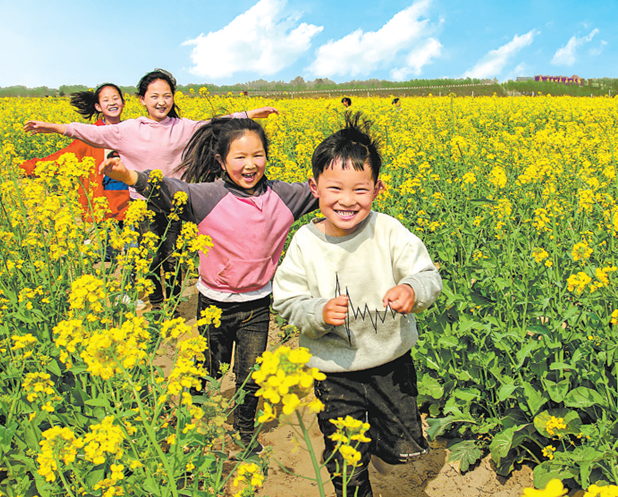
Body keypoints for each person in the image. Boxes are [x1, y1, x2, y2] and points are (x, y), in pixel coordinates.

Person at [99, 117, 318, 456]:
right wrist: (130, 177)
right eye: (239, 157)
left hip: (257, 305)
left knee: (251, 374)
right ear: (221, 161)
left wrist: (353, 183)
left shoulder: (282, 196)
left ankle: (244, 428)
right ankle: (192, 421)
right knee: (208, 368)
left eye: (257, 155)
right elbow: (171, 191)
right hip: (214, 302)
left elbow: (322, 192)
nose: (250, 165)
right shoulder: (207, 196)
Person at [272, 112, 442, 497]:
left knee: (402, 447)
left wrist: (413, 290)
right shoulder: (305, 242)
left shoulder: (388, 230)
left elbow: (429, 274)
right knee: (345, 454)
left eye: (359, 190)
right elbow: (286, 299)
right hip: (333, 370)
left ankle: (383, 455)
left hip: (391, 362)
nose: (346, 201)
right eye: (335, 189)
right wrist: (316, 312)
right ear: (314, 187)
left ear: (377, 188)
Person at [24, 69, 279, 314]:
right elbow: (91, 132)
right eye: (155, 96)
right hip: (143, 203)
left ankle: (174, 301)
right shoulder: (128, 130)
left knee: (175, 254)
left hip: (178, 201)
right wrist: (53, 127)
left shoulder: (183, 127)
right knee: (152, 253)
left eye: (167, 95)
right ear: (142, 99)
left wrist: (251, 113)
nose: (161, 101)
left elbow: (214, 123)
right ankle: (157, 303)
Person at [20, 83, 130, 226]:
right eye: (106, 100)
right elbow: (61, 158)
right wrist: (24, 167)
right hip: (102, 208)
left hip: (131, 207)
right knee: (106, 248)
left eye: (115, 98)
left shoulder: (132, 131)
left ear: (123, 103)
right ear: (98, 107)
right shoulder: (88, 136)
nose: (112, 103)